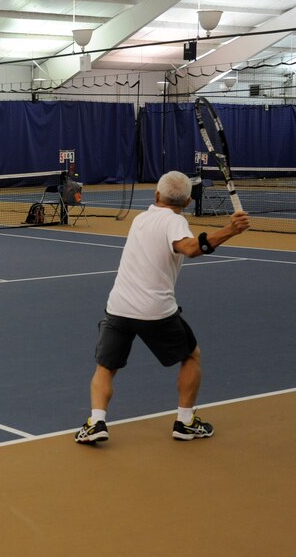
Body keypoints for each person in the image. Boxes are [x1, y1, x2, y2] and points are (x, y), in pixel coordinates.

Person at [75, 170, 250, 444]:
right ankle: (185, 422)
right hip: (155, 310)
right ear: (190, 202)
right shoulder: (175, 222)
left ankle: (96, 422)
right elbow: (190, 248)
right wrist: (231, 230)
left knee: (105, 367)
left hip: (118, 306)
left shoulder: (140, 219)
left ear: (156, 195)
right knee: (191, 356)